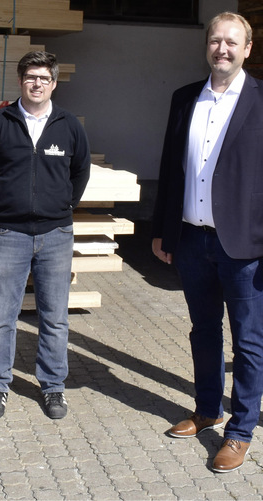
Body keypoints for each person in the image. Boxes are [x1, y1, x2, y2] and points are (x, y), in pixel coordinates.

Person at [152, 12, 263, 473]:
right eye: (215, 40)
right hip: (192, 239)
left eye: (231, 42)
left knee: (250, 341)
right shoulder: (185, 98)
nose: (222, 48)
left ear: (248, 48)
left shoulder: (261, 100)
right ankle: (206, 409)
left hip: (243, 245)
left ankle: (239, 431)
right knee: (203, 331)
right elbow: (170, 169)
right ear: (207, 46)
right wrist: (161, 229)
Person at [0, 51, 91, 420]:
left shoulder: (69, 125)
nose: (36, 84)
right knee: (2, 315)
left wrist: (60, 207)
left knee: (54, 316)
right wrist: (4, 204)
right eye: (30, 77)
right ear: (20, 81)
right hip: (9, 234)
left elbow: (80, 173)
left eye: (43, 78)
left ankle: (53, 388)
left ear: (54, 83)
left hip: (56, 234)